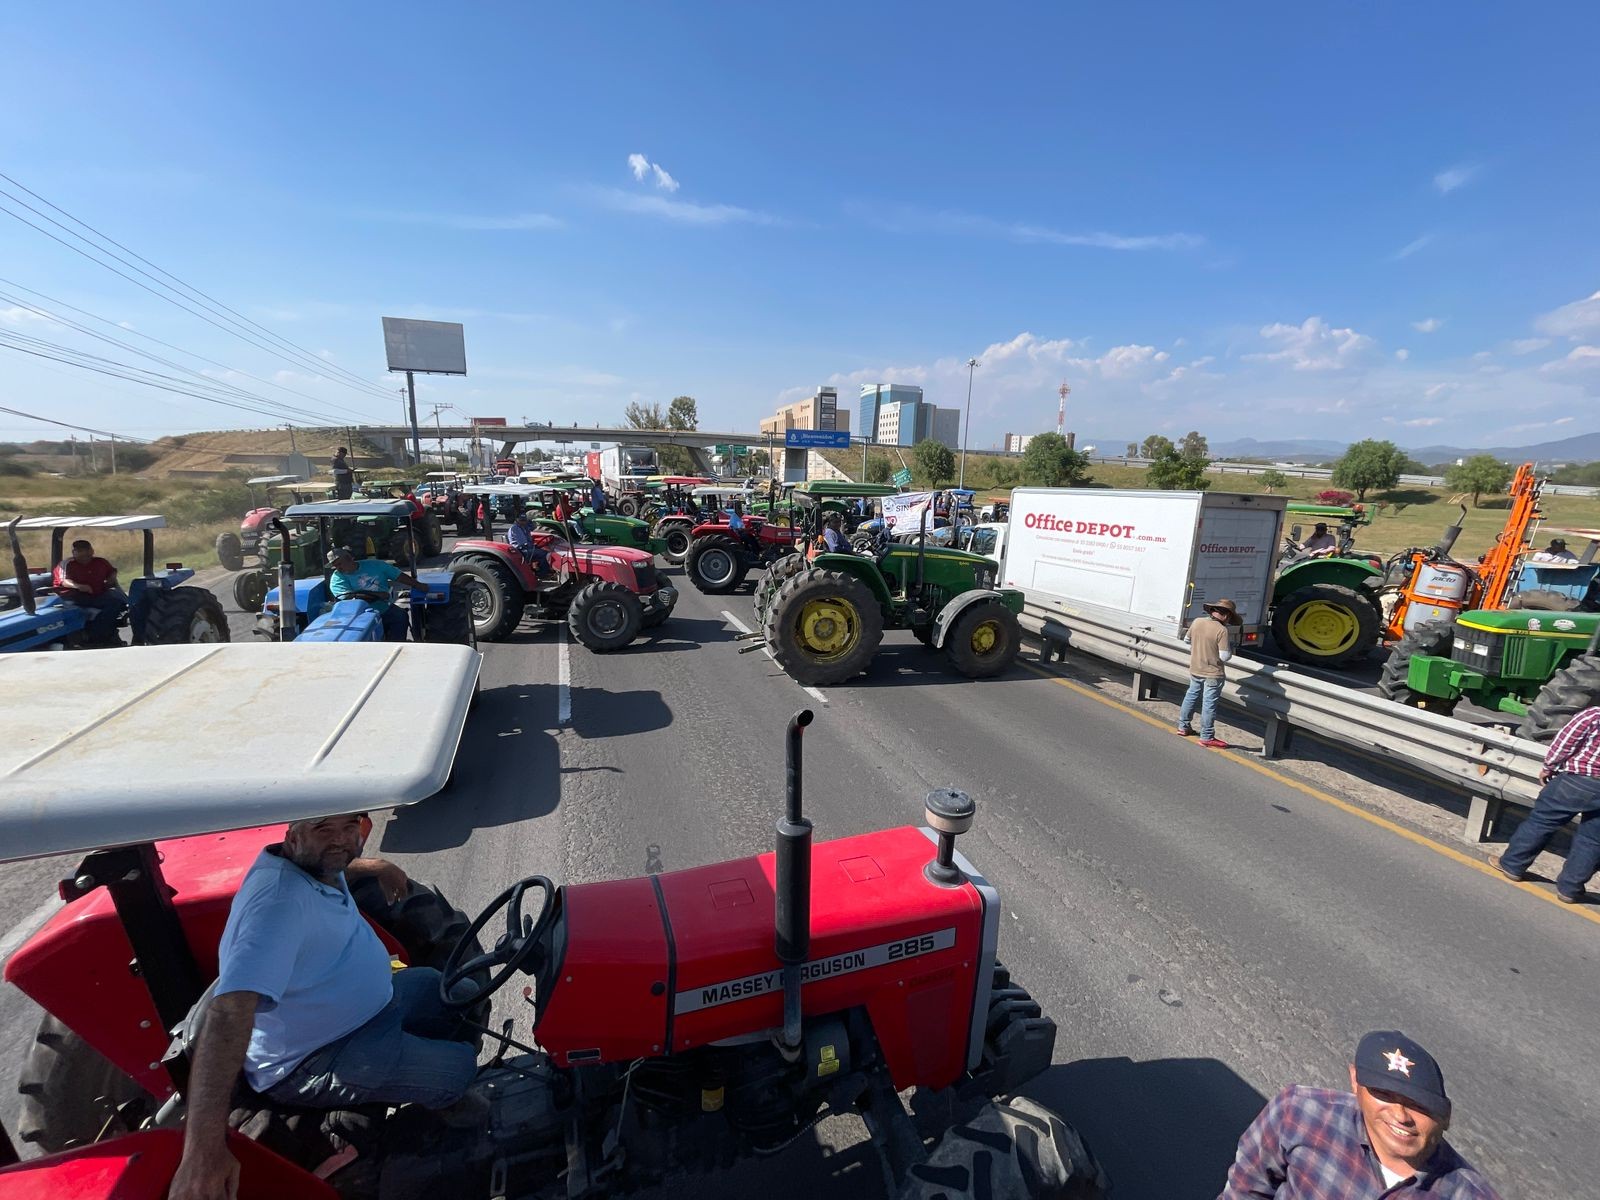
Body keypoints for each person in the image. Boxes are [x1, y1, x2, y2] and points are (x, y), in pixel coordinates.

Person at [168, 814, 479, 1200]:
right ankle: (452, 1125)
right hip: (316, 1056)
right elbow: (228, 1012)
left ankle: (423, 1075)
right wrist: (203, 1151)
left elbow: (338, 856)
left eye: (350, 827)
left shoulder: (310, 865)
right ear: (292, 836)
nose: (341, 840)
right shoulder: (275, 908)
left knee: (459, 991)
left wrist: (378, 866)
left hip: (376, 1006)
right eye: (323, 829)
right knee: (458, 1070)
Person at [1220, 1030, 1500, 1197]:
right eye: (1385, 1095)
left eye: (1419, 1105)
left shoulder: (1468, 1194)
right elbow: (1245, 1190)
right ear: (1355, 1082)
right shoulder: (1299, 1114)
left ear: (1445, 1116)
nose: (1401, 1115)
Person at [1493, 704, 1600, 903]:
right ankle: (1569, 889)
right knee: (1593, 841)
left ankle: (1512, 865)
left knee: (1542, 822)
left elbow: (1565, 742)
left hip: (1578, 780)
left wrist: (1550, 766)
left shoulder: (1594, 715)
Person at [1176, 598, 1240, 749]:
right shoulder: (1221, 630)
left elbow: (1186, 640)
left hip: (1195, 668)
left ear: (1212, 611)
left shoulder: (1197, 622)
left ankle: (1183, 727)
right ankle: (1207, 736)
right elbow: (1224, 656)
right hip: (1213, 673)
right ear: (1226, 616)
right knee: (1208, 704)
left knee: (1191, 695)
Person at [326, 547, 421, 642]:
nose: (338, 568)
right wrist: (378, 595)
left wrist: (418, 585)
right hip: (357, 614)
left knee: (400, 616)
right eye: (335, 566)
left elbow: (398, 576)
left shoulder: (375, 565)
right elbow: (347, 597)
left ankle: (397, 643)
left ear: (349, 558)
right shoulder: (337, 578)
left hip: (383, 608)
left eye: (339, 564)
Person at [52, 538, 127, 645]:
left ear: (92, 551)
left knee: (117, 603)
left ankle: (102, 635)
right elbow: (64, 581)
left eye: (88, 554)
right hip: (73, 597)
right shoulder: (66, 564)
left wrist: (111, 578)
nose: (85, 558)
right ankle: (90, 637)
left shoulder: (100, 562)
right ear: (74, 553)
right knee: (74, 610)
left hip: (96, 595)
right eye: (81, 555)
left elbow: (112, 571)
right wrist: (78, 586)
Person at [507, 512, 553, 577]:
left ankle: (539, 569)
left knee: (544, 550)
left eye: (524, 520)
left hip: (526, 547)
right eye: (521, 520)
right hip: (521, 550)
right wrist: (533, 546)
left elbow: (531, 534)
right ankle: (543, 573)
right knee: (544, 554)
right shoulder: (515, 529)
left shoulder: (524, 527)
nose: (523, 522)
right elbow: (523, 543)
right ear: (517, 519)